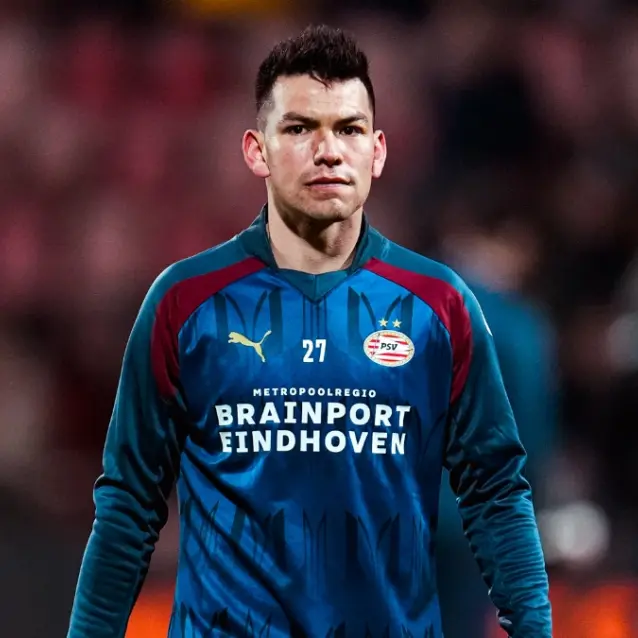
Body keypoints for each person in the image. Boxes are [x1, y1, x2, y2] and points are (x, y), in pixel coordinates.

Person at [67, 24, 552, 638]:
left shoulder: (440, 305)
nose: (328, 151)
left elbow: (497, 494)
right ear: (257, 151)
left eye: (348, 129)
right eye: (299, 129)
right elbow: (129, 504)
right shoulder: (184, 302)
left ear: (377, 151)